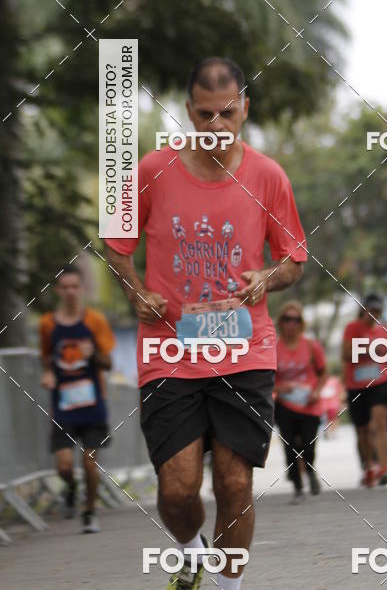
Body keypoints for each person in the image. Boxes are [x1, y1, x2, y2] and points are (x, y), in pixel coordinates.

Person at [105, 57, 307, 590]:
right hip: (170, 351)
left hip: (245, 349)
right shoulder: (152, 170)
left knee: (236, 484)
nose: (216, 126)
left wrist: (266, 278)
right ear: (188, 112)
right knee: (176, 489)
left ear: (245, 106)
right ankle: (192, 552)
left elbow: (294, 258)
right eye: (203, 115)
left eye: (227, 112)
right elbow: (116, 244)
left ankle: (228, 586)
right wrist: (137, 291)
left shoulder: (268, 177)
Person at [39, 264, 115, 533]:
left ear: (81, 289)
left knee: (89, 463)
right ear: (58, 290)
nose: (70, 292)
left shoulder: (95, 321)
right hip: (63, 406)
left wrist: (92, 353)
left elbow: (107, 363)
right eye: (65, 287)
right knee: (64, 466)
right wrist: (48, 373)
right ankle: (71, 488)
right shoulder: (47, 324)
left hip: (93, 405)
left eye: (75, 286)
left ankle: (90, 511)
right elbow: (47, 357)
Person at [273, 301, 327, 502]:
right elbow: (266, 378)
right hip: (285, 405)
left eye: (296, 320)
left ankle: (310, 470)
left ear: (301, 323)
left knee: (308, 445)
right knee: (289, 446)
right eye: (287, 319)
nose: (291, 324)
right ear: (281, 322)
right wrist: (279, 388)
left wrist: (317, 391)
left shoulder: (312, 346)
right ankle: (297, 486)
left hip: (309, 405)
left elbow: (323, 373)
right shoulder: (273, 348)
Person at [342, 293, 387, 488]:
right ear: (363, 310)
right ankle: (368, 467)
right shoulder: (352, 328)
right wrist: (370, 349)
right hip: (356, 385)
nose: (373, 314)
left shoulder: (385, 331)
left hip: (380, 382)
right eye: (370, 310)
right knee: (362, 430)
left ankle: (383, 466)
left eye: (377, 310)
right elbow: (346, 353)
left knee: (379, 424)